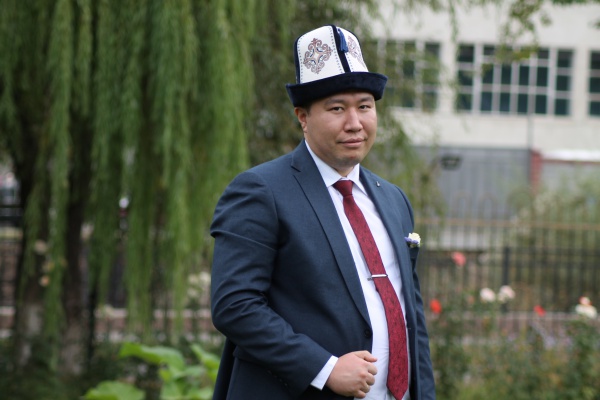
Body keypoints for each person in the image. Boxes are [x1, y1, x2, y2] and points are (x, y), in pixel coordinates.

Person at [210, 25, 435, 400]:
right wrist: (324, 368)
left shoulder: (393, 199)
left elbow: (411, 316)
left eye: (365, 106)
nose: (355, 123)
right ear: (302, 116)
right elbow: (235, 306)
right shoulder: (261, 191)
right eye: (337, 108)